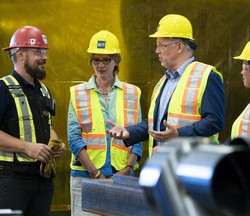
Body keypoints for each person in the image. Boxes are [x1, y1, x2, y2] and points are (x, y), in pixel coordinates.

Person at [107, 14, 225, 156]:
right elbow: (156, 123)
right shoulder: (164, 81)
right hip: (165, 164)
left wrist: (179, 134)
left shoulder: (207, 75)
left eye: (161, 45)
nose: (157, 51)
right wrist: (128, 132)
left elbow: (214, 121)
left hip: (193, 165)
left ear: (180, 47)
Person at [67, 30, 143, 216]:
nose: (100, 65)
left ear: (116, 60)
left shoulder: (132, 93)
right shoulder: (77, 93)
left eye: (106, 60)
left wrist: (129, 169)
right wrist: (95, 173)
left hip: (122, 177)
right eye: (96, 60)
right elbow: (73, 138)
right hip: (86, 177)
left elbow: (139, 136)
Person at [0, 26, 66, 215]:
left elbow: (48, 125)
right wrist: (27, 147)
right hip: (11, 182)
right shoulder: (3, 88)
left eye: (44, 51)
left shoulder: (44, 91)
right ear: (20, 55)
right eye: (38, 51)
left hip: (43, 182)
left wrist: (56, 143)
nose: (44, 57)